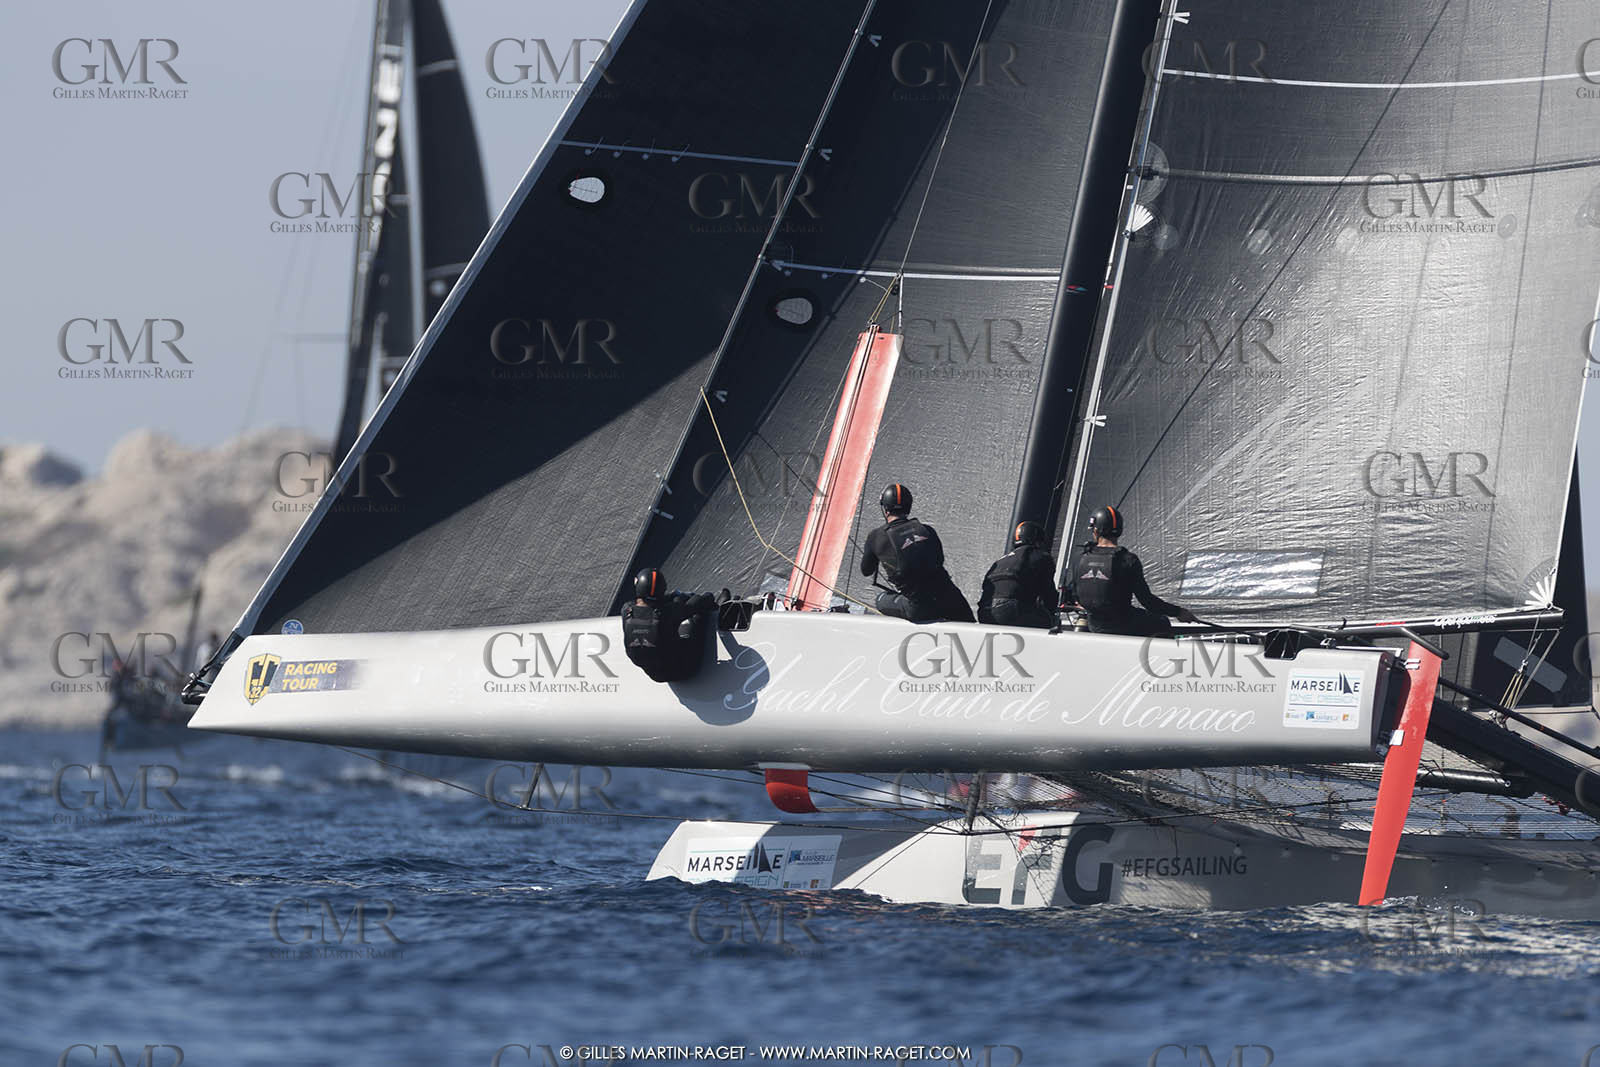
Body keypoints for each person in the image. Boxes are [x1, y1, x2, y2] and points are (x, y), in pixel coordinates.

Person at [1060, 504, 1197, 637]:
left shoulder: (1080, 558)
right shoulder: (1128, 560)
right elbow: (1148, 601)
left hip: (1095, 626)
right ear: (1120, 530)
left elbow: (1076, 596)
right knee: (1162, 622)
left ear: (1096, 531)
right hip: (1123, 624)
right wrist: (1178, 612)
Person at [860, 483, 975, 623]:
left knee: (880, 600)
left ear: (885, 509)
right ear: (909, 506)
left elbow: (866, 570)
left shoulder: (876, 536)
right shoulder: (927, 530)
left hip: (920, 609)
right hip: (952, 600)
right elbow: (939, 559)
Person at [621, 567, 717, 682]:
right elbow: (696, 604)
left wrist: (673, 596)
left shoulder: (626, 610)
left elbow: (651, 605)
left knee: (677, 612)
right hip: (685, 670)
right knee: (697, 617)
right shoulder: (667, 613)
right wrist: (708, 596)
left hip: (655, 675)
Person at [977, 520, 1057, 628]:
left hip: (985, 612)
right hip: (1011, 610)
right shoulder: (1041, 556)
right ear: (1037, 540)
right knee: (1049, 623)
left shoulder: (1001, 560)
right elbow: (1048, 592)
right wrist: (1052, 611)